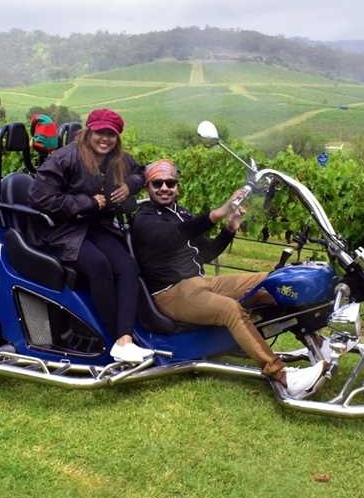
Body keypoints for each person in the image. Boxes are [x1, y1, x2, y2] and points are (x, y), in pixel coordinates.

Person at [131, 159, 327, 397]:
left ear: (177, 186)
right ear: (147, 188)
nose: (164, 188)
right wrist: (217, 213)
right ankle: (283, 376)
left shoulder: (180, 213)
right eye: (157, 183)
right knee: (230, 310)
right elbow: (173, 237)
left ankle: (317, 344)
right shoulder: (144, 219)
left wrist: (229, 228)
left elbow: (206, 253)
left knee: (274, 281)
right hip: (171, 294)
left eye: (170, 183)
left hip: (200, 282)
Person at [28, 108, 151, 364]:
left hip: (97, 227)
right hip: (64, 230)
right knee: (98, 266)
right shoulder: (65, 158)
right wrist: (85, 202)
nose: (105, 139)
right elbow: (40, 197)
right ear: (88, 132)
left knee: (128, 267)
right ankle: (114, 337)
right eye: (100, 132)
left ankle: (125, 339)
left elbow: (142, 171)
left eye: (112, 134)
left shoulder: (118, 159)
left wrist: (130, 185)